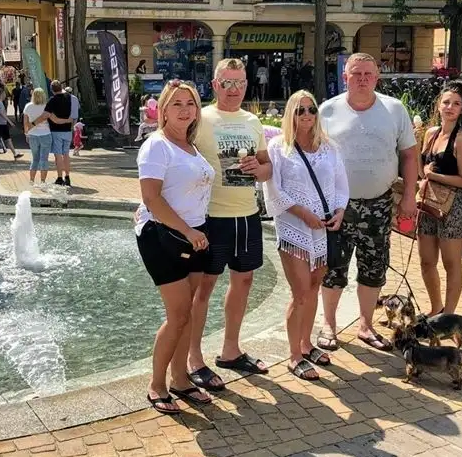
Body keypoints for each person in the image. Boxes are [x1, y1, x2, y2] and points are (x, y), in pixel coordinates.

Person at [183, 60, 273, 393]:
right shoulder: (200, 118)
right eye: (227, 83)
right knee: (203, 288)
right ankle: (194, 358)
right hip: (210, 217)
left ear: (247, 85)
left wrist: (258, 169)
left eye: (239, 83)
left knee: (244, 281)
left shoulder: (252, 121)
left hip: (247, 214)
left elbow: (267, 168)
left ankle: (231, 351)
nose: (234, 89)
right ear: (215, 85)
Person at [318, 52, 418, 351]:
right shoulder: (327, 111)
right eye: (356, 74)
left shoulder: (394, 109)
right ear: (344, 77)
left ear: (377, 77)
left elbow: (409, 155)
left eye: (368, 74)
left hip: (379, 203)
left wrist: (409, 196)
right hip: (338, 207)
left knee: (374, 268)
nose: (362, 79)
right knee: (333, 267)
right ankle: (328, 325)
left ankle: (366, 325)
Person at [135, 80, 215, 414]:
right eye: (177, 104)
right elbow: (151, 198)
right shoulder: (157, 146)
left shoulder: (189, 145)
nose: (184, 110)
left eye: (190, 103)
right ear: (163, 110)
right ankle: (157, 384)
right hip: (163, 235)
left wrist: (196, 230)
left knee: (189, 313)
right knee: (179, 314)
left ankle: (180, 378)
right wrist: (187, 230)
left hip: (194, 234)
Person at [265, 91, 349, 381]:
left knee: (314, 287)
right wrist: (303, 213)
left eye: (311, 109)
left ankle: (306, 343)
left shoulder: (329, 147)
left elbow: (341, 184)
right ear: (290, 113)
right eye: (300, 110)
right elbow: (273, 190)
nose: (307, 115)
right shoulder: (279, 147)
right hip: (294, 227)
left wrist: (340, 211)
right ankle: (294, 356)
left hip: (322, 228)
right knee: (300, 292)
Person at [417, 81, 462, 316]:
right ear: (438, 105)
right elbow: (422, 172)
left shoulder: (461, 139)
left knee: (451, 264)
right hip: (428, 202)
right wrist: (415, 148)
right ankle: (435, 308)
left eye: (456, 104)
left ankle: (448, 316)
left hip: (453, 207)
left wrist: (434, 176)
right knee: (427, 261)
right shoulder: (430, 134)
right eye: (446, 102)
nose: (450, 107)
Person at [23, 87, 53, 188]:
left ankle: (32, 180)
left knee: (35, 158)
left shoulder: (28, 106)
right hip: (45, 134)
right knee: (44, 158)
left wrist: (26, 133)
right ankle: (43, 181)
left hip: (33, 134)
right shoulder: (46, 106)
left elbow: (25, 122)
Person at [45, 80, 74, 187]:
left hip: (56, 131)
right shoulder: (69, 98)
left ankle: (59, 177)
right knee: (66, 154)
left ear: (52, 90)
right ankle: (67, 176)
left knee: (58, 155)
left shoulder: (52, 100)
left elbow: (46, 114)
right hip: (67, 130)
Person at [0, 93, 22, 160]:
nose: (5, 96)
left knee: (8, 139)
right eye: (4, 94)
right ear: (1, 95)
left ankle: (15, 154)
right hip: (0, 124)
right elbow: (2, 113)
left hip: (2, 124)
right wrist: (10, 122)